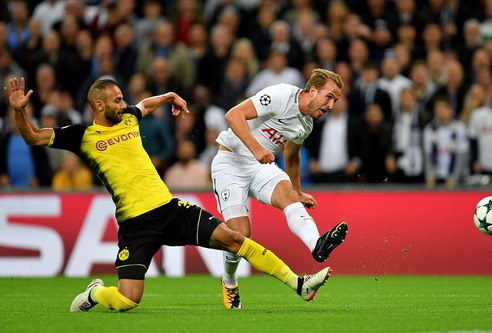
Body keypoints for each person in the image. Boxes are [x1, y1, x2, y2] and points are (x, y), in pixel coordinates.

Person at [4, 77, 332, 313]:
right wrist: (19, 111)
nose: (124, 104)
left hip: (171, 208)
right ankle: (96, 293)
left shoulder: (129, 117)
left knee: (235, 239)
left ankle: (298, 284)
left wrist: (170, 95)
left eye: (123, 99)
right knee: (128, 299)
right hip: (136, 224)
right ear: (99, 104)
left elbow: (144, 104)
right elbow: (33, 137)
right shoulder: (82, 136)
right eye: (117, 100)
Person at [211, 68, 348, 309]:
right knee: (240, 236)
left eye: (335, 100)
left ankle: (317, 245)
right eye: (329, 97)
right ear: (313, 90)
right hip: (230, 163)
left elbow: (292, 156)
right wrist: (256, 149)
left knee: (288, 197)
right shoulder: (280, 95)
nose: (331, 105)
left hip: (261, 167)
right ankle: (230, 281)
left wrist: (297, 191)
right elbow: (233, 116)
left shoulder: (306, 124)